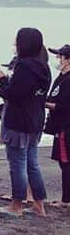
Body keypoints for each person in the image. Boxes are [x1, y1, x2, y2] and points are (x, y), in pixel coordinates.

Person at [0, 28, 51, 217]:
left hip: (19, 121)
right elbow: (30, 92)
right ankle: (38, 204)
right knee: (32, 163)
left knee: (17, 163)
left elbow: (15, 93)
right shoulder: (44, 66)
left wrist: (1, 83)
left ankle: (16, 205)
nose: (14, 45)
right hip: (36, 120)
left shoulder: (24, 66)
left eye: (16, 41)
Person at [46, 44, 70, 208]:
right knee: (63, 163)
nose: (58, 59)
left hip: (66, 126)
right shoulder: (61, 77)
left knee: (66, 162)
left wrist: (43, 103)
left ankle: (66, 200)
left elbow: (64, 106)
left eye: (60, 56)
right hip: (59, 125)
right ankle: (66, 198)